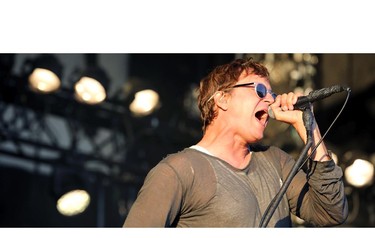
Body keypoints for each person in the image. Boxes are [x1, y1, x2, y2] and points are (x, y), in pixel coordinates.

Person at [123, 57, 348, 227]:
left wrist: (308, 127)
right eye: (260, 90)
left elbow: (332, 212)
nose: (270, 100)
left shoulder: (276, 161)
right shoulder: (178, 170)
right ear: (222, 99)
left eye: (271, 93)